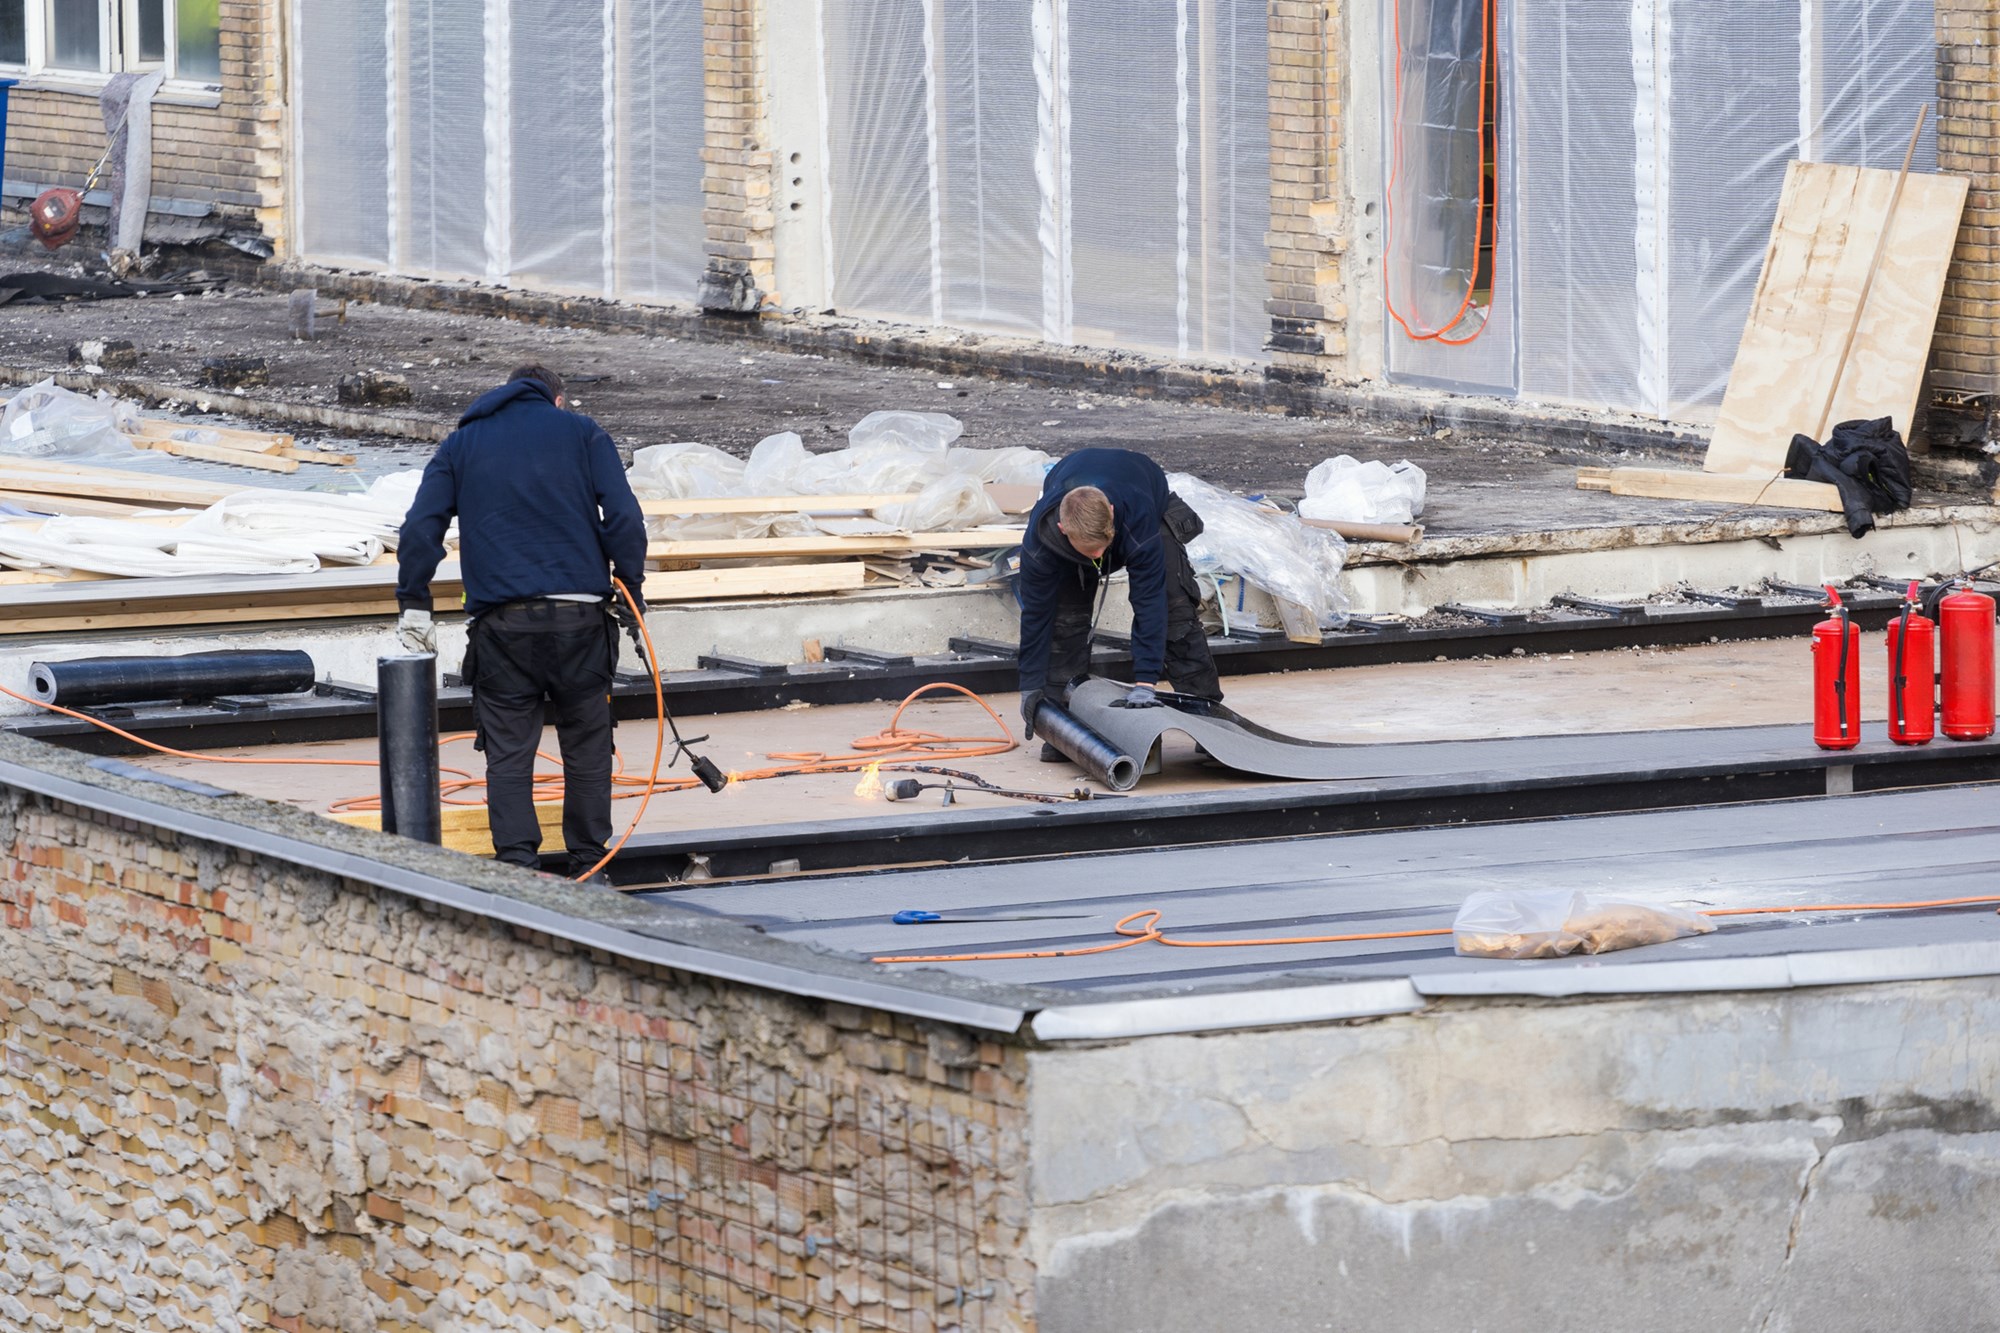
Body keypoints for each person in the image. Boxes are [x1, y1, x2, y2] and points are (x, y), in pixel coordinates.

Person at [396, 364, 648, 878]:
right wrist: (632, 588)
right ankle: (589, 866)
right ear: (557, 399)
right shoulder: (582, 432)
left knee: (509, 754)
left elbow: (422, 526)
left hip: (502, 629)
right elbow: (623, 515)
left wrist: (414, 601)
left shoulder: (461, 444)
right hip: (581, 623)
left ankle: (517, 868)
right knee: (587, 746)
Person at [1015, 447, 1221, 750]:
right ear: (1063, 530)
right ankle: (1065, 724)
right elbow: (1036, 616)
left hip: (1144, 494)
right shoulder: (1040, 546)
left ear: (1110, 512)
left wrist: (1145, 683)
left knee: (1174, 612)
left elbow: (1149, 602)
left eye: (1102, 547)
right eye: (1090, 552)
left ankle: (1209, 718)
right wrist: (1030, 685)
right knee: (1065, 622)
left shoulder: (1137, 518)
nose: (1098, 558)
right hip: (1078, 494)